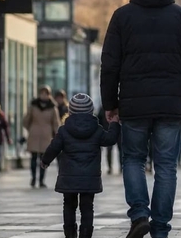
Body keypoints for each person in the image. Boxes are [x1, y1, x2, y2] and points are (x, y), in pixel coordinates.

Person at [100, 0, 181, 238]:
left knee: (133, 159)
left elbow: (109, 65)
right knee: (166, 166)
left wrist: (110, 104)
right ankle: (160, 228)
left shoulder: (121, 17)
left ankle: (139, 215)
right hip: (171, 105)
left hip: (134, 104)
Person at [42, 94, 120, 238]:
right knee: (87, 207)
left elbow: (54, 147)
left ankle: (70, 235)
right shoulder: (97, 130)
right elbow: (110, 139)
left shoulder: (64, 130)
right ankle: (85, 235)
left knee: (69, 206)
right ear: (91, 111)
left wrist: (45, 161)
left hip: (69, 178)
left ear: (70, 112)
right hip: (89, 178)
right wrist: (114, 123)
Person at [24, 86, 61, 188]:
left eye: (46, 93)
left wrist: (57, 133)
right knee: (33, 157)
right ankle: (33, 178)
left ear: (49, 95)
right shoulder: (33, 105)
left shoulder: (53, 107)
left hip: (46, 135)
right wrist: (31, 128)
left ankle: (41, 180)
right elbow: (27, 120)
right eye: (42, 93)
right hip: (34, 134)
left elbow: (55, 122)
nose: (44, 95)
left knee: (44, 159)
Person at [98, 106, 116, 174]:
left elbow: (99, 121)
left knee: (112, 150)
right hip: (107, 131)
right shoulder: (103, 109)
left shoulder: (103, 108)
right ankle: (110, 167)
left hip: (108, 131)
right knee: (110, 150)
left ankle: (112, 167)